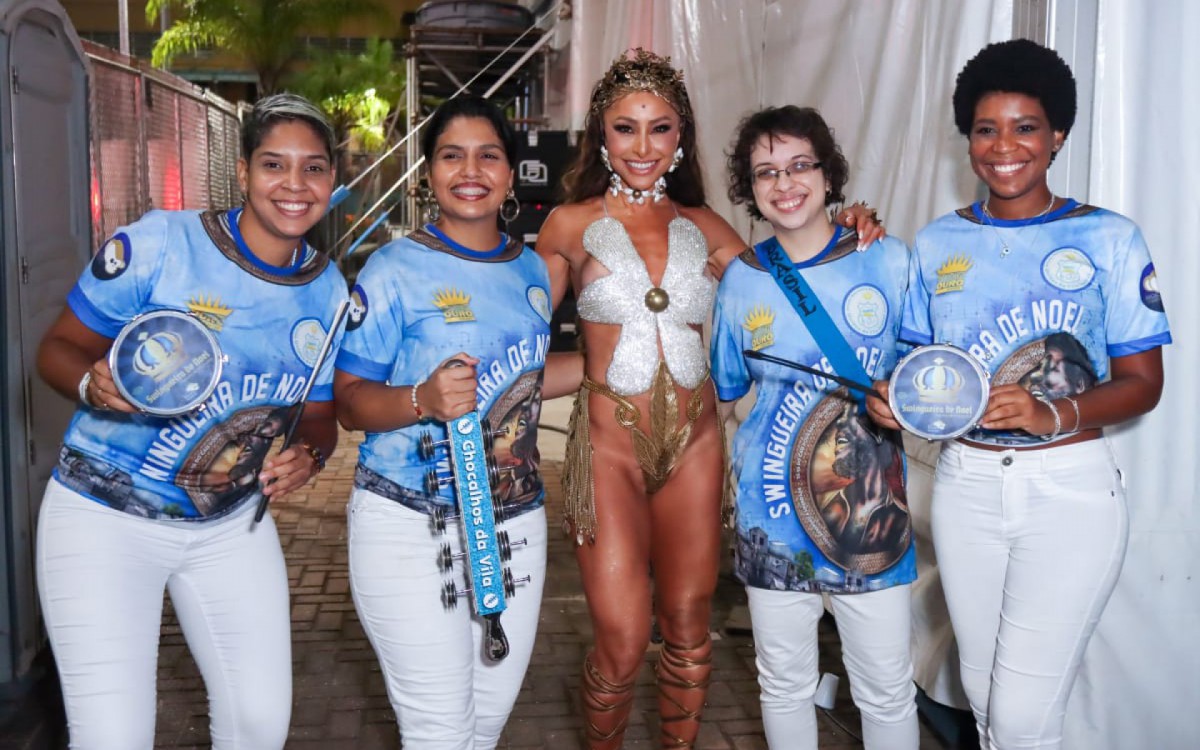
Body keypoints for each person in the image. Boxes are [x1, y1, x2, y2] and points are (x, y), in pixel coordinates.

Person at [535, 50, 883, 749]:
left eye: (659, 128)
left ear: (681, 136)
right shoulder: (569, 226)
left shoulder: (706, 225)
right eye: (624, 128)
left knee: (691, 630)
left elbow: (794, 291)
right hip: (606, 455)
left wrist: (850, 233)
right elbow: (516, 348)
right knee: (624, 637)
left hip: (695, 452)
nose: (641, 146)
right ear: (600, 136)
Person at [868, 39, 1171, 749]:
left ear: (1058, 134)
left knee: (1023, 717)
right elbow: (920, 369)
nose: (1004, 146)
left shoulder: (1109, 237)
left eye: (1025, 126)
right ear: (967, 139)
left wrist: (1050, 412)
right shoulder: (939, 244)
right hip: (966, 485)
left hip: (1067, 489)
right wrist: (894, 399)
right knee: (984, 699)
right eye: (985, 128)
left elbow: (1143, 385)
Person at [35, 93, 346, 749]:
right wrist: (92, 382)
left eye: (313, 168)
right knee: (113, 737)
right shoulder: (162, 242)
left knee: (259, 725)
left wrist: (309, 455)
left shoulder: (329, 291)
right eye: (273, 165)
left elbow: (318, 416)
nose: (294, 185)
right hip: (103, 519)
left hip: (230, 526)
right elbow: (56, 350)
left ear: (333, 180)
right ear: (242, 172)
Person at [333, 95, 579, 749]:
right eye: (451, 155)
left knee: (484, 725)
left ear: (508, 174)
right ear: (427, 173)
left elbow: (523, 380)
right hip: (411, 524)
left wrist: (607, 363)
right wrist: (421, 399)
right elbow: (350, 401)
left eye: (487, 155)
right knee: (440, 732)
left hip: (515, 524)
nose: (470, 169)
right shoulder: (392, 270)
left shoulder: (529, 269)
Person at [710, 105, 918, 749]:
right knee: (784, 684)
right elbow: (728, 390)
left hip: (872, 520)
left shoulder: (889, 261)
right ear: (750, 190)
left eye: (801, 165)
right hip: (770, 514)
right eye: (766, 171)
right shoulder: (741, 281)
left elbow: (924, 376)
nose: (786, 182)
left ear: (830, 176)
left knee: (886, 688)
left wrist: (899, 402)